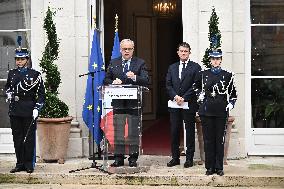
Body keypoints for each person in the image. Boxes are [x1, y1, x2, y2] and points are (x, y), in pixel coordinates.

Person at [104, 39, 149, 167]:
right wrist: (112, 82)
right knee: (118, 130)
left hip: (134, 103)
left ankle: (133, 158)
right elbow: (106, 79)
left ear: (133, 50)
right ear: (120, 49)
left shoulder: (140, 63)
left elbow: (146, 80)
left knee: (133, 131)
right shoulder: (114, 62)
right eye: (124, 49)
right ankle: (118, 158)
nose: (127, 51)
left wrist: (134, 77)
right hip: (118, 102)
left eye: (129, 49)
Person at [193, 49, 237, 176]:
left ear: (221, 60)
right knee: (208, 140)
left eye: (217, 59)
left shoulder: (228, 75)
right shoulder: (203, 74)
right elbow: (195, 86)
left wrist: (231, 104)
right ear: (210, 60)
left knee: (219, 139)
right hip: (206, 110)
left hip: (221, 110)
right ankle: (209, 167)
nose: (215, 61)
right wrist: (199, 95)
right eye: (213, 59)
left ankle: (219, 167)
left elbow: (233, 94)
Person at [5, 47, 45, 173]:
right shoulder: (12, 73)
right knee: (17, 137)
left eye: (22, 59)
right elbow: (7, 88)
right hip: (15, 110)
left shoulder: (35, 75)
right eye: (17, 59)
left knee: (28, 138)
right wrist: (8, 94)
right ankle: (19, 163)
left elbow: (42, 94)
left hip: (29, 110)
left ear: (27, 60)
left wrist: (37, 108)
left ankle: (29, 164)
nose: (19, 62)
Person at [166, 42, 201, 168]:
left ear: (189, 53)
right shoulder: (172, 67)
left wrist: (184, 97)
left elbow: (197, 85)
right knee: (174, 131)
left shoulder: (196, 67)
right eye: (181, 51)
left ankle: (189, 159)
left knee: (189, 131)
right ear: (178, 52)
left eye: (185, 51)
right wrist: (175, 96)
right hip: (174, 104)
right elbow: (168, 85)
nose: (183, 53)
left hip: (189, 104)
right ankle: (175, 158)